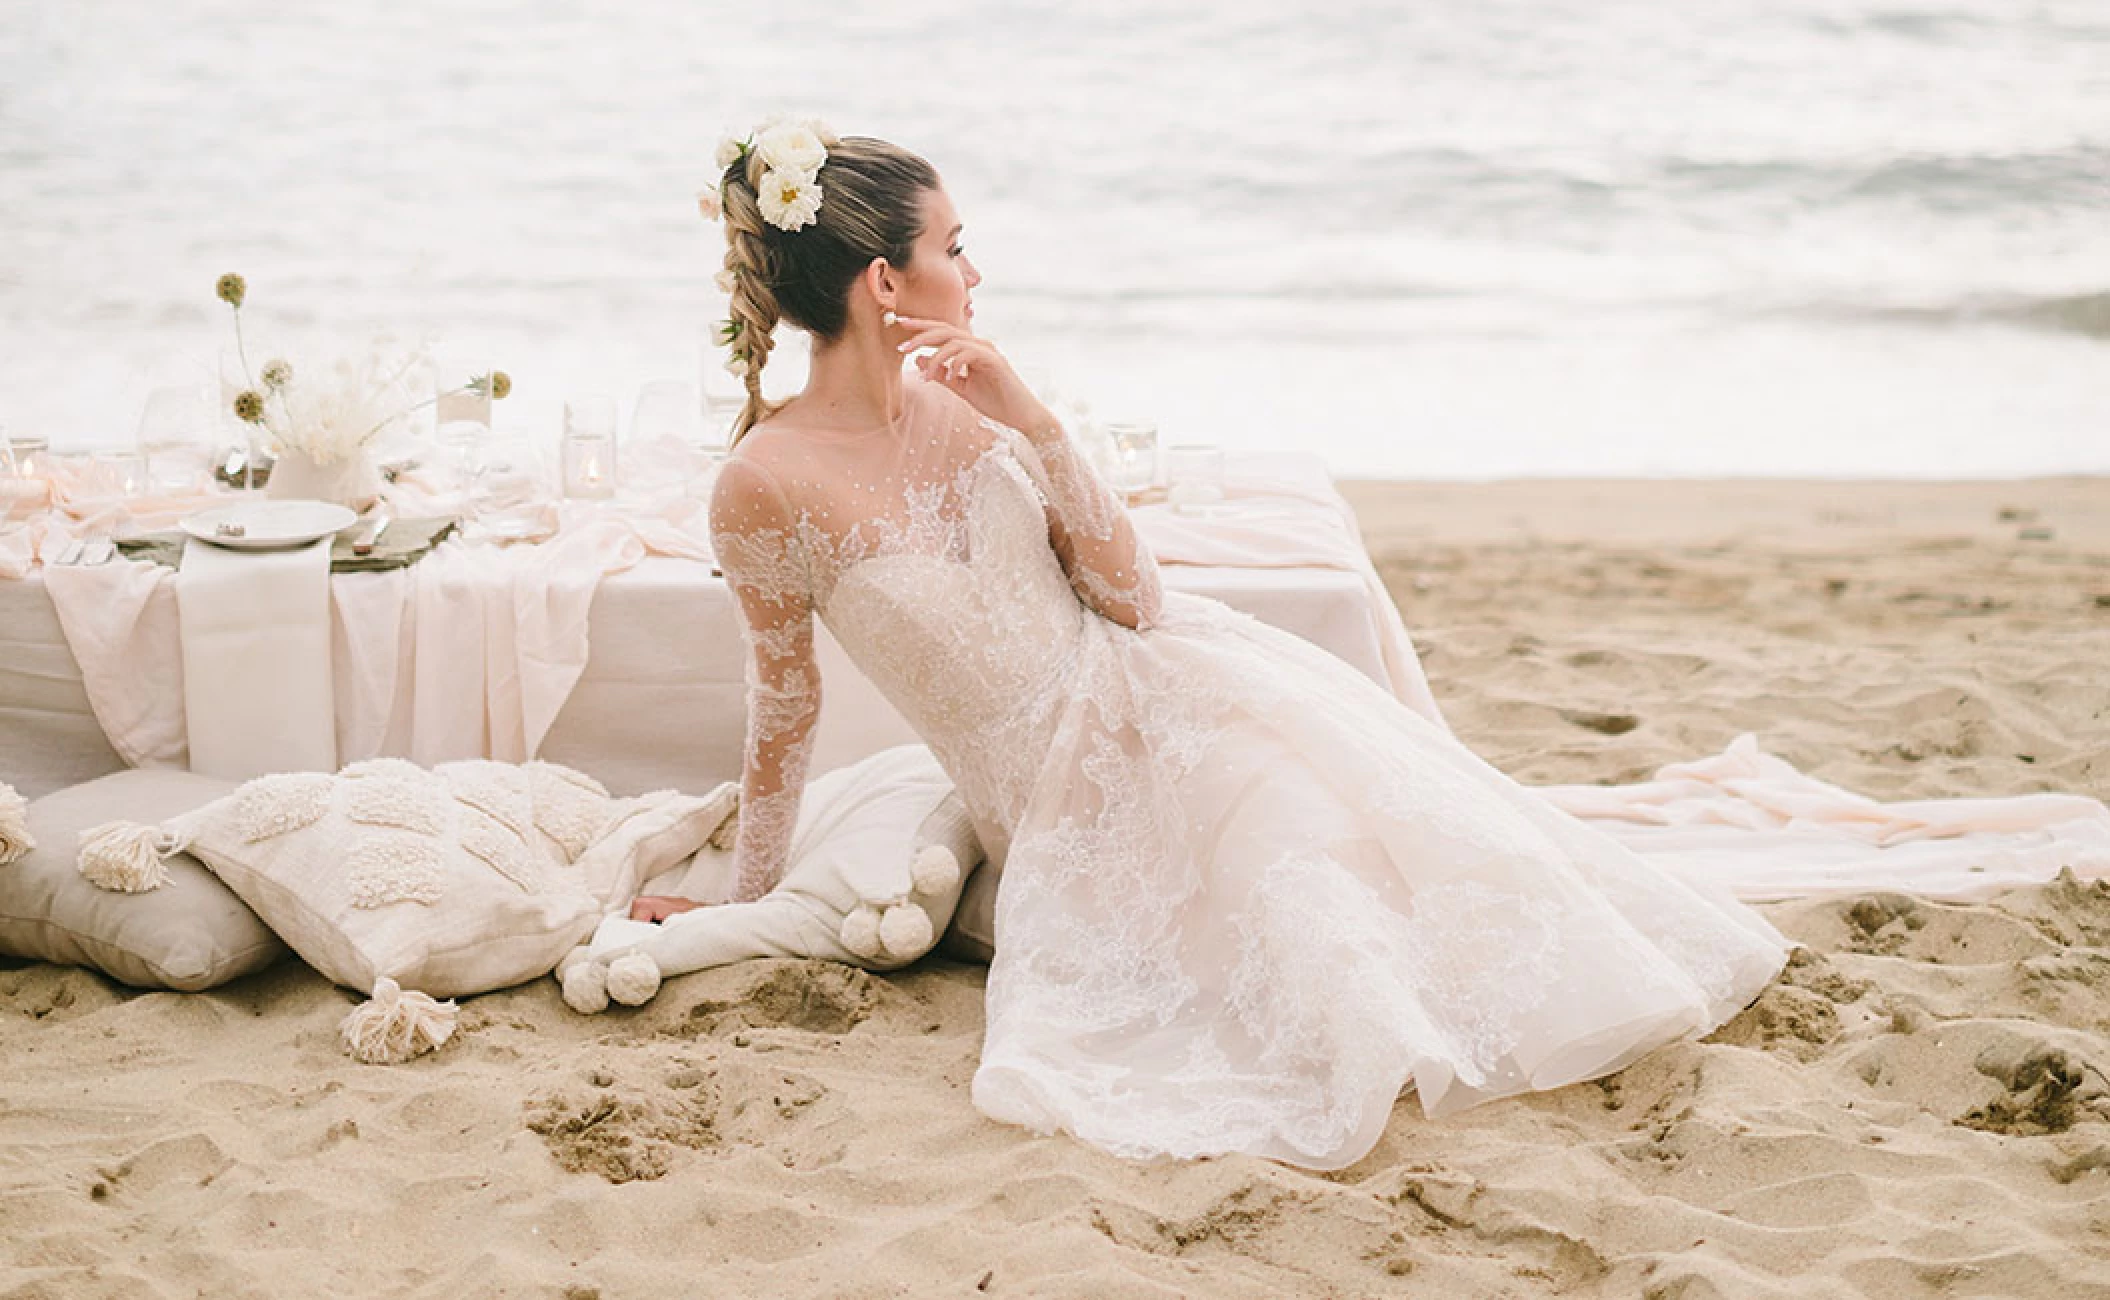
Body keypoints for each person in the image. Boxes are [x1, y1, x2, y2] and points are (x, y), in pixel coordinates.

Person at [631, 123, 1791, 1170]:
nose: (975, 274)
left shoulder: (970, 401)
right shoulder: (763, 484)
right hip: (1049, 799)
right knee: (1286, 911)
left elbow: (1132, 600)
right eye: (956, 245)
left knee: (1343, 843)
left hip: (1167, 690)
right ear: (889, 279)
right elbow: (781, 706)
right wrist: (745, 895)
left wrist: (1034, 423)